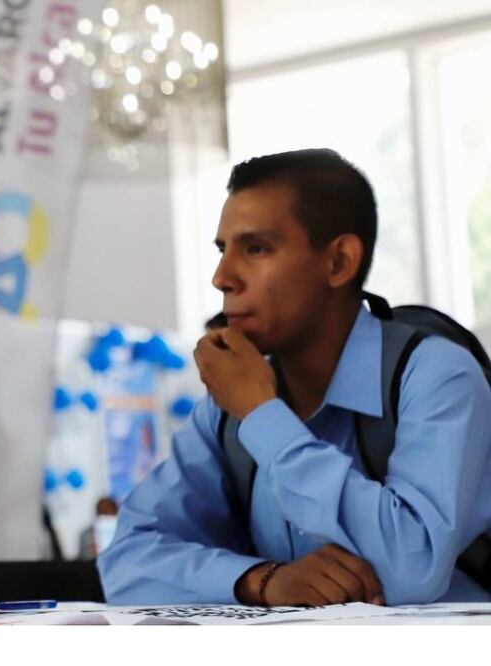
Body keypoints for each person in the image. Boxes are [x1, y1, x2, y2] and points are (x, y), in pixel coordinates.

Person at [98, 148, 491, 607]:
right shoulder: (228, 410)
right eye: (223, 250)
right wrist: (261, 580)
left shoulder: (435, 375)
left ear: (339, 262)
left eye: (256, 248)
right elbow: (124, 562)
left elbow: (411, 569)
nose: (222, 277)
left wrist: (264, 417)